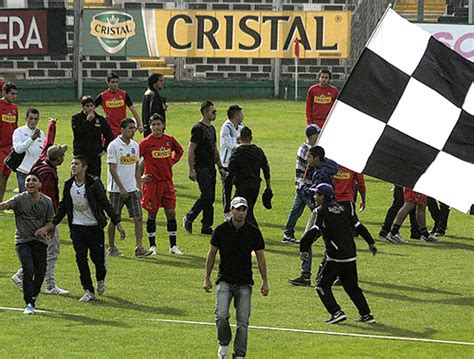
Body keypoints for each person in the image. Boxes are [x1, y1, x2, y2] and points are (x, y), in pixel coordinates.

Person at [299, 183, 377, 324]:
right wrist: (370, 242)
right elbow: (358, 226)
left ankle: (336, 312)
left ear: (322, 196)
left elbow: (313, 231)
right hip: (351, 254)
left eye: (316, 194)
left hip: (335, 256)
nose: (314, 197)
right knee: (351, 286)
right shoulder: (343, 209)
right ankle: (366, 314)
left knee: (322, 285)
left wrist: (303, 248)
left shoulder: (320, 211)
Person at [51, 155, 125, 302]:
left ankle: (100, 279)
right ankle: (88, 290)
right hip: (77, 229)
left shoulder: (93, 184)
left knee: (97, 260)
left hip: (94, 228)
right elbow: (63, 206)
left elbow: (105, 203)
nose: (73, 166)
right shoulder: (68, 184)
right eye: (72, 164)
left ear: (84, 168)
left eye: (76, 164)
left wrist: (117, 222)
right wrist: (53, 223)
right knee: (80, 259)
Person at [203, 196, 269, 359]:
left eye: (243, 209)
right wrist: (207, 278)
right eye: (237, 209)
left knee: (243, 321)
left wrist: (264, 281)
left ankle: (239, 354)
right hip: (224, 279)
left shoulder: (253, 232)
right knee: (222, 315)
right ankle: (224, 344)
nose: (240, 212)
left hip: (245, 282)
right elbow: (212, 254)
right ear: (231, 210)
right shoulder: (221, 230)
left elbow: (260, 256)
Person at [11, 118, 70, 295]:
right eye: (62, 155)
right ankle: (47, 284)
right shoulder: (49, 175)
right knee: (51, 251)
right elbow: (48, 199)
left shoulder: (42, 160)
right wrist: (51, 222)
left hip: (36, 216)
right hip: (46, 218)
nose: (64, 157)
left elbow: (47, 144)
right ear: (57, 159)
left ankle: (24, 276)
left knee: (42, 251)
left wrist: (52, 126)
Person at [0, 172, 53, 314]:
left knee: (40, 271)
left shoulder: (46, 201)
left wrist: (43, 229)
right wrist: (3, 205)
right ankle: (28, 303)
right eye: (28, 180)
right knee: (28, 267)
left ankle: (33, 295)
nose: (30, 182)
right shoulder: (19, 199)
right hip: (23, 240)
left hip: (40, 241)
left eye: (34, 180)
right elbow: (6, 204)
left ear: (40, 184)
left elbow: (51, 222)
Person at [106, 118, 152, 257]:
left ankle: (139, 247)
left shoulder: (135, 146)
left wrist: (138, 186)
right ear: (122, 129)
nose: (133, 131)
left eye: (134, 128)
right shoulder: (113, 146)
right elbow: (112, 169)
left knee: (138, 217)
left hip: (132, 189)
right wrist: (121, 188)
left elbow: (136, 167)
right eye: (130, 128)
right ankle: (112, 247)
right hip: (116, 190)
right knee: (114, 219)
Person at [139, 114, 184, 255]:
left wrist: (172, 161)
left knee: (171, 212)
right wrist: (140, 177)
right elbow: (136, 159)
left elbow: (180, 151)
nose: (156, 127)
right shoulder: (145, 143)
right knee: (152, 214)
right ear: (150, 126)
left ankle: (173, 246)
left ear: (163, 125)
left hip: (167, 183)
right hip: (152, 184)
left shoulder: (169, 140)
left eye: (159, 124)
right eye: (154, 125)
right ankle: (152, 246)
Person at [184, 101, 228, 235]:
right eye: (212, 112)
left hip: (210, 167)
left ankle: (207, 226)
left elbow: (214, 149)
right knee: (207, 195)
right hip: (201, 167)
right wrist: (191, 169)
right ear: (205, 112)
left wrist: (220, 166)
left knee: (210, 197)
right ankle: (190, 216)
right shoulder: (198, 128)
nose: (215, 114)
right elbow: (191, 149)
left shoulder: (211, 128)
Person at [282, 124, 320, 244]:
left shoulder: (306, 147)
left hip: (301, 185)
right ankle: (315, 235)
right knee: (318, 210)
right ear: (312, 136)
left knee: (296, 210)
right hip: (306, 186)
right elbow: (312, 166)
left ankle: (288, 234)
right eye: (318, 134)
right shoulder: (306, 150)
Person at [228, 126, 271, 227]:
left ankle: (254, 234)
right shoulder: (258, 151)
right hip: (255, 185)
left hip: (242, 186)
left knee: (242, 210)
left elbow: (231, 169)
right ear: (251, 138)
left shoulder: (238, 152)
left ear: (240, 138)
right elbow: (266, 168)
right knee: (248, 209)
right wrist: (268, 186)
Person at [72, 96, 114, 178]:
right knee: (79, 177)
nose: (90, 108)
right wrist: (87, 121)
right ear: (83, 107)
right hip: (81, 154)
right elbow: (78, 133)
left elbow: (109, 135)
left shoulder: (99, 119)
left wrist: (104, 149)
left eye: (92, 106)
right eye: (87, 106)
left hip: (94, 155)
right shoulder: (76, 118)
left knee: (94, 179)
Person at [95, 72, 143, 138]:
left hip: (123, 127)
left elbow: (133, 110)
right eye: (113, 82)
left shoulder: (124, 94)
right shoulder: (103, 96)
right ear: (108, 83)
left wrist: (139, 124)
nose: (115, 84)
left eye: (117, 82)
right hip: (109, 128)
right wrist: (101, 119)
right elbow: (91, 109)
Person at [220, 104, 244, 218]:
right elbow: (230, 145)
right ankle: (227, 213)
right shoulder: (226, 127)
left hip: (238, 163)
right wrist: (242, 146)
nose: (243, 116)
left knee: (239, 187)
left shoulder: (241, 127)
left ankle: (235, 209)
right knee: (227, 189)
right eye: (241, 113)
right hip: (226, 163)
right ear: (236, 115)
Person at [12, 108, 45, 192]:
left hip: (37, 171)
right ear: (26, 119)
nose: (33, 121)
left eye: (36, 119)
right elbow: (18, 149)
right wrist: (31, 139)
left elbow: (43, 152)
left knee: (37, 199)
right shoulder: (18, 131)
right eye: (31, 118)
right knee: (24, 200)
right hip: (23, 171)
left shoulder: (41, 133)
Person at [0, 82, 19, 202]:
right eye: (12, 94)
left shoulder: (14, 108)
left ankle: (0, 202)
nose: (14, 96)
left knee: (5, 176)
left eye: (15, 94)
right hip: (0, 147)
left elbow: (15, 127)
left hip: (10, 148)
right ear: (4, 93)